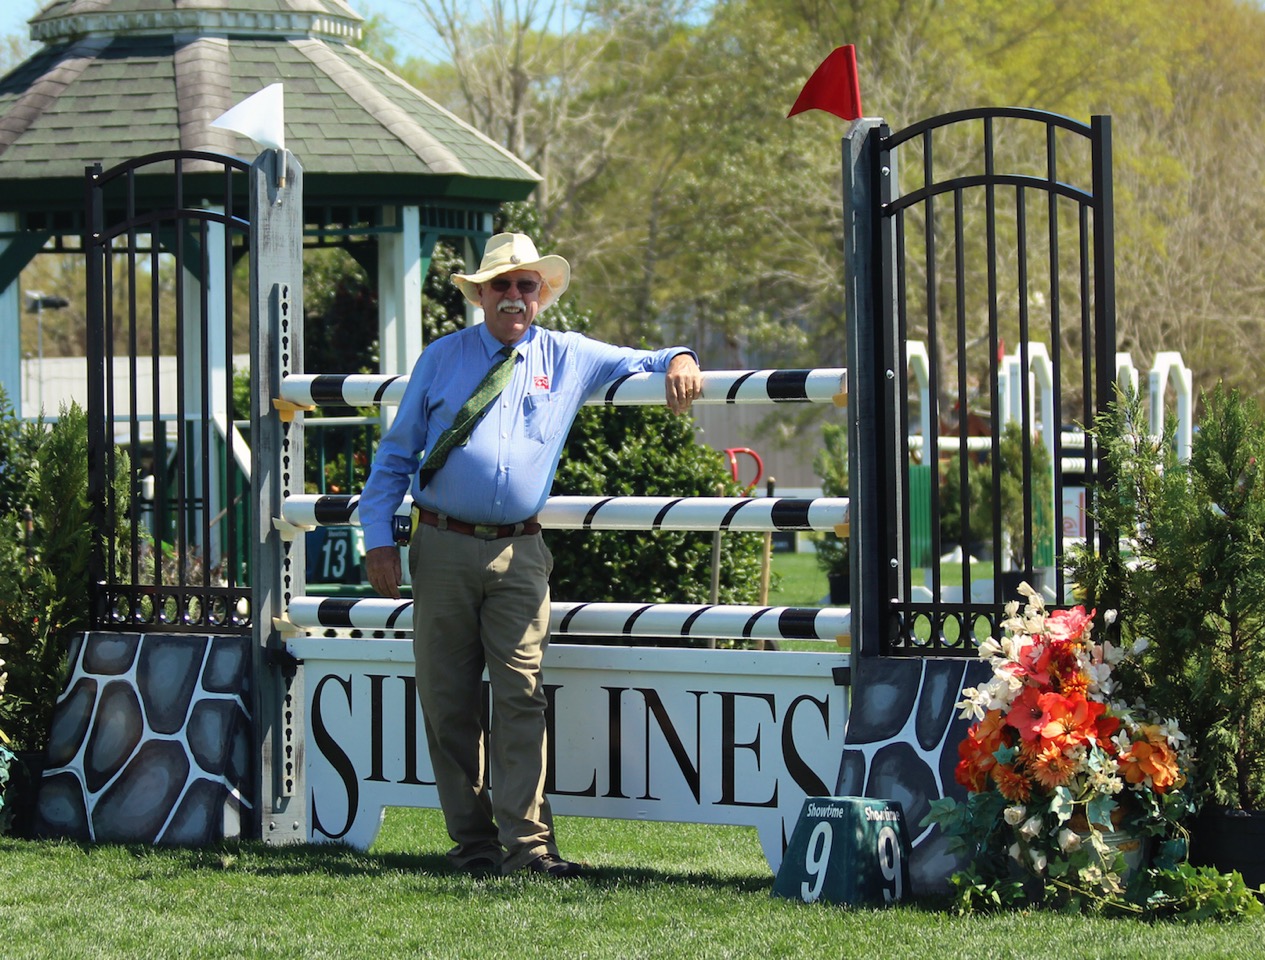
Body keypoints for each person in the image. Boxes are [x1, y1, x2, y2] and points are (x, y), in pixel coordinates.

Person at [359, 233, 703, 878]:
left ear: (541, 296)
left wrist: (680, 357)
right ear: (481, 294)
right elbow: (396, 455)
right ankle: (474, 844)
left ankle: (528, 848)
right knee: (446, 700)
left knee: (519, 695)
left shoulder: (568, 354)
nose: (514, 296)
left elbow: (648, 356)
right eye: (501, 285)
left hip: (521, 551)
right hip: (439, 546)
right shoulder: (442, 357)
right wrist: (379, 536)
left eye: (526, 286)